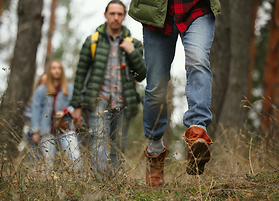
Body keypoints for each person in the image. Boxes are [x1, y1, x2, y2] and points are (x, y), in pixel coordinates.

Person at [128, 0, 221, 186]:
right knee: (156, 86)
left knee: (198, 61)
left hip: (196, 7)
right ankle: (155, 151)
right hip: (157, 12)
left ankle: (197, 132)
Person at [71, 0, 146, 176]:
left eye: (119, 14)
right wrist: (76, 106)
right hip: (98, 100)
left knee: (118, 144)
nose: (116, 18)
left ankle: (114, 183)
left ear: (124, 17)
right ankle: (99, 181)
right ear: (105, 15)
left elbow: (142, 74)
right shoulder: (92, 41)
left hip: (123, 102)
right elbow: (80, 74)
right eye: (112, 13)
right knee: (98, 140)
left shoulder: (133, 44)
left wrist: (132, 52)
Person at [30, 60, 82, 173]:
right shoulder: (41, 90)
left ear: (62, 71)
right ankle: (47, 186)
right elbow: (35, 111)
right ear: (49, 70)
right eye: (54, 68)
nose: (57, 70)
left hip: (66, 128)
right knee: (48, 161)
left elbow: (76, 106)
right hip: (46, 130)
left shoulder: (69, 88)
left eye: (59, 68)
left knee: (75, 156)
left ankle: (80, 182)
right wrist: (35, 131)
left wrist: (65, 111)